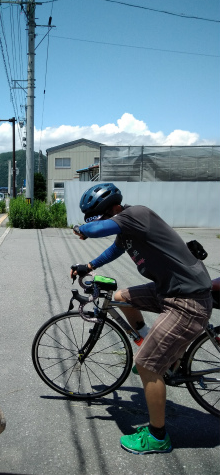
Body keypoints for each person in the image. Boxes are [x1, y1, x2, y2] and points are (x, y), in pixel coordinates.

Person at [71, 182, 213, 455]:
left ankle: (158, 438)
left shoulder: (137, 214)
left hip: (188, 301)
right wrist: (88, 266)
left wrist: (82, 229)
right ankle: (150, 341)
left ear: (112, 209)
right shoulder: (127, 229)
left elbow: (97, 229)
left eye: (101, 216)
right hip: (169, 290)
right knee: (121, 296)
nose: (102, 222)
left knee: (147, 365)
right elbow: (115, 249)